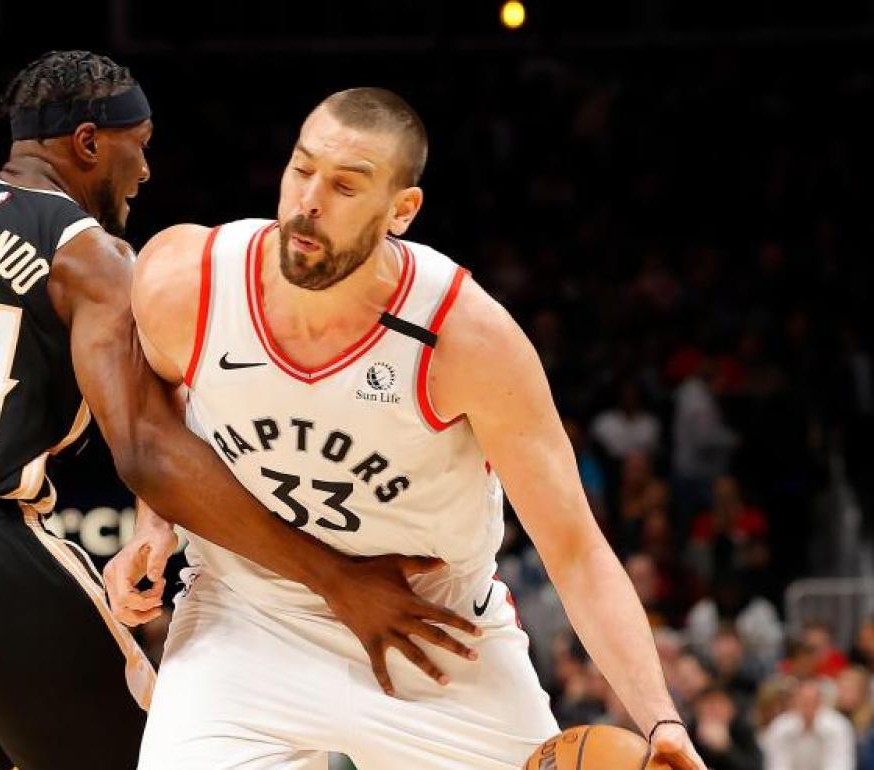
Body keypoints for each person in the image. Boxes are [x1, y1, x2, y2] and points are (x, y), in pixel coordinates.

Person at [0, 53, 479, 770]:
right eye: (142, 143)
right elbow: (144, 449)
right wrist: (337, 580)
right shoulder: (88, 255)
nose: (147, 170)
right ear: (90, 143)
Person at [109, 87, 707, 768]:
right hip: (244, 621)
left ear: (402, 210)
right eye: (302, 169)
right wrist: (153, 528)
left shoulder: (468, 339)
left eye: (345, 186)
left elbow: (573, 547)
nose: (309, 201)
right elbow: (160, 415)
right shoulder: (187, 280)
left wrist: (659, 714)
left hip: (435, 636)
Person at [761, 678, 856, 770]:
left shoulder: (839, 726)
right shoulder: (780, 727)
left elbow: (841, 765)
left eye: (813, 702)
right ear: (795, 702)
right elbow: (776, 765)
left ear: (821, 703)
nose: (808, 707)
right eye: (803, 702)